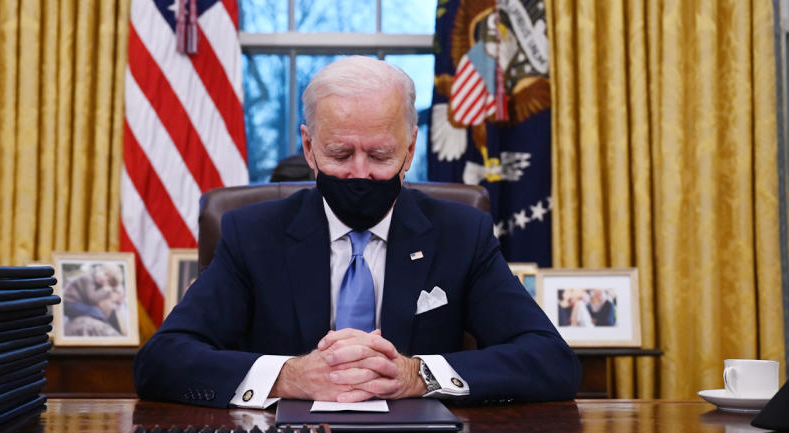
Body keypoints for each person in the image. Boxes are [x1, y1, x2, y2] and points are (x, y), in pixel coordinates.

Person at [134, 56, 580, 408]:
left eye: (381, 155)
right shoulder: (253, 233)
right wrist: (291, 376)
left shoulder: (462, 233)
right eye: (340, 153)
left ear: (409, 150)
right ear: (309, 148)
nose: (359, 173)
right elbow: (162, 361)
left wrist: (417, 376)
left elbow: (550, 361)